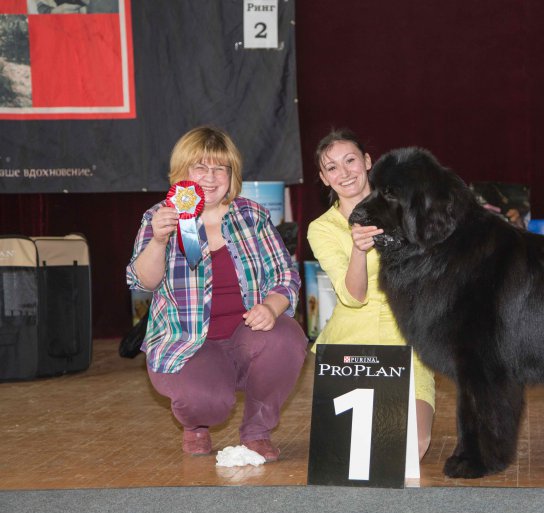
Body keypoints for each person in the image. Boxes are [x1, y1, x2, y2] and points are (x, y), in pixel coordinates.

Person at [126, 126, 307, 460]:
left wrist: (271, 305)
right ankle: (197, 423)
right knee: (206, 402)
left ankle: (257, 431)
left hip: (246, 337)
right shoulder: (159, 217)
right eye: (200, 167)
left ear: (231, 175)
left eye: (219, 168)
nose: (210, 177)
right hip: (186, 342)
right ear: (182, 173)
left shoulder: (251, 216)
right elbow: (143, 283)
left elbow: (285, 275)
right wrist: (158, 240)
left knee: (287, 337)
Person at [306, 129, 436, 460]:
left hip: (407, 334)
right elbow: (353, 297)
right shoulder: (321, 228)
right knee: (357, 454)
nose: (344, 172)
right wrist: (359, 252)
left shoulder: (405, 206)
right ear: (324, 178)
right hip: (351, 342)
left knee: (412, 448)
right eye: (332, 167)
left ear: (367, 161)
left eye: (350, 160)